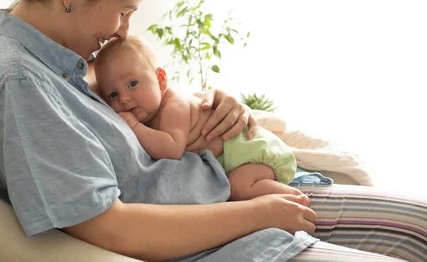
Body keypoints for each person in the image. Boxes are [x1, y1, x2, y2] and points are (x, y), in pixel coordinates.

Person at [0, 0, 427, 262]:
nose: (124, 31)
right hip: (219, 236)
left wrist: (207, 104)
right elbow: (111, 226)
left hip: (218, 190)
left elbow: (135, 114)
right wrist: (258, 214)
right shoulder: (19, 84)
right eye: (123, 12)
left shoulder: (65, 61)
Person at [94, 34, 300, 201]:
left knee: (239, 188)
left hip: (248, 152)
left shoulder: (174, 107)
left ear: (160, 79)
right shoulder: (151, 110)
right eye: (113, 95)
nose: (124, 99)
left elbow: (172, 149)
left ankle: (294, 197)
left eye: (132, 84)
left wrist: (135, 127)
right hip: (239, 155)